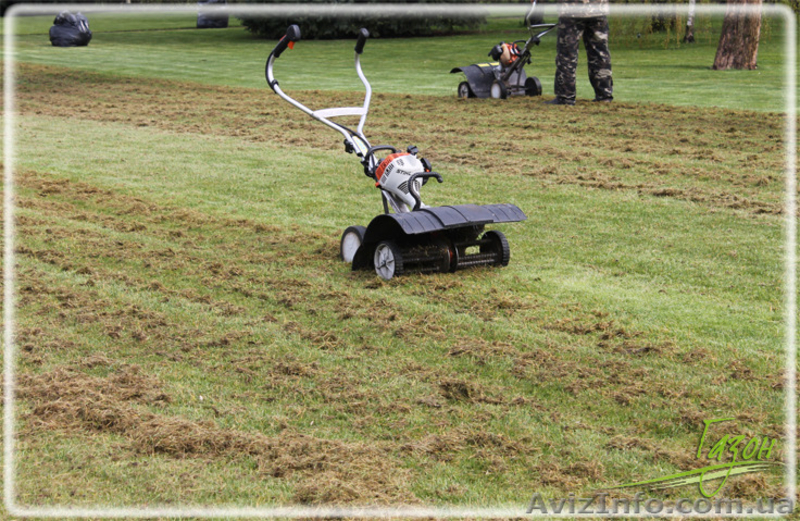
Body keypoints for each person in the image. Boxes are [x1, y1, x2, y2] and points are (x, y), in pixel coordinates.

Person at [546, 0, 613, 105]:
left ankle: (566, 96)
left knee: (567, 54)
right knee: (600, 53)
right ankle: (604, 94)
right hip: (598, 9)